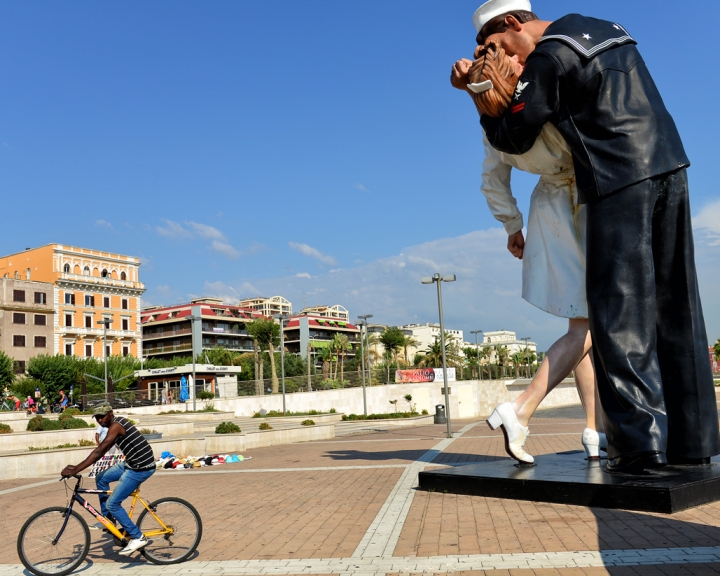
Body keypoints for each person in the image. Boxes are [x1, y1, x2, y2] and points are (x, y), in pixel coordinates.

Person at [452, 0, 720, 472]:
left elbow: (514, 135)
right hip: (669, 163)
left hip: (615, 177)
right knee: (677, 305)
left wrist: (479, 94)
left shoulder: (548, 56)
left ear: (513, 24)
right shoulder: (605, 27)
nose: (504, 57)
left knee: (617, 317)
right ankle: (695, 442)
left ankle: (641, 448)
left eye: (497, 45)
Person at [458, 40, 605, 463]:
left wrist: (513, 226)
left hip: (548, 210)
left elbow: (492, 181)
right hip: (586, 201)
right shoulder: (542, 98)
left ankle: (594, 431)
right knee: (591, 323)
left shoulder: (494, 127)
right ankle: (521, 408)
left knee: (582, 321)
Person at [61, 404, 155, 556]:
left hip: (140, 468)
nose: (99, 420)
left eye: (102, 416)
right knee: (101, 478)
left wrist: (76, 469)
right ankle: (108, 520)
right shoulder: (114, 424)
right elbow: (100, 451)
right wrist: (76, 468)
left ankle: (137, 537)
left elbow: (100, 450)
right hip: (131, 463)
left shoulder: (117, 425)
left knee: (113, 503)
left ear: (111, 413)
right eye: (97, 417)